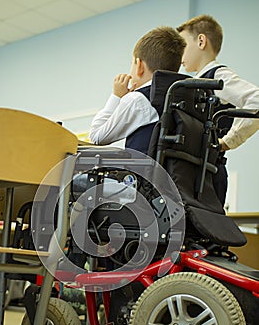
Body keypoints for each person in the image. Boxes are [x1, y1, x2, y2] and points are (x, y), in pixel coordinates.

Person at [177, 14, 259, 204]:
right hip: (196, 171)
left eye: (183, 46)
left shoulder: (218, 75)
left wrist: (228, 141)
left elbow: (256, 100)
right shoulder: (195, 82)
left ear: (201, 41)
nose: (180, 54)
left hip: (210, 174)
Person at [89, 26, 186, 154]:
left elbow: (96, 136)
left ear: (139, 65)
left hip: (145, 173)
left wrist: (117, 96)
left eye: (132, 64)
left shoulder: (139, 99)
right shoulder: (183, 96)